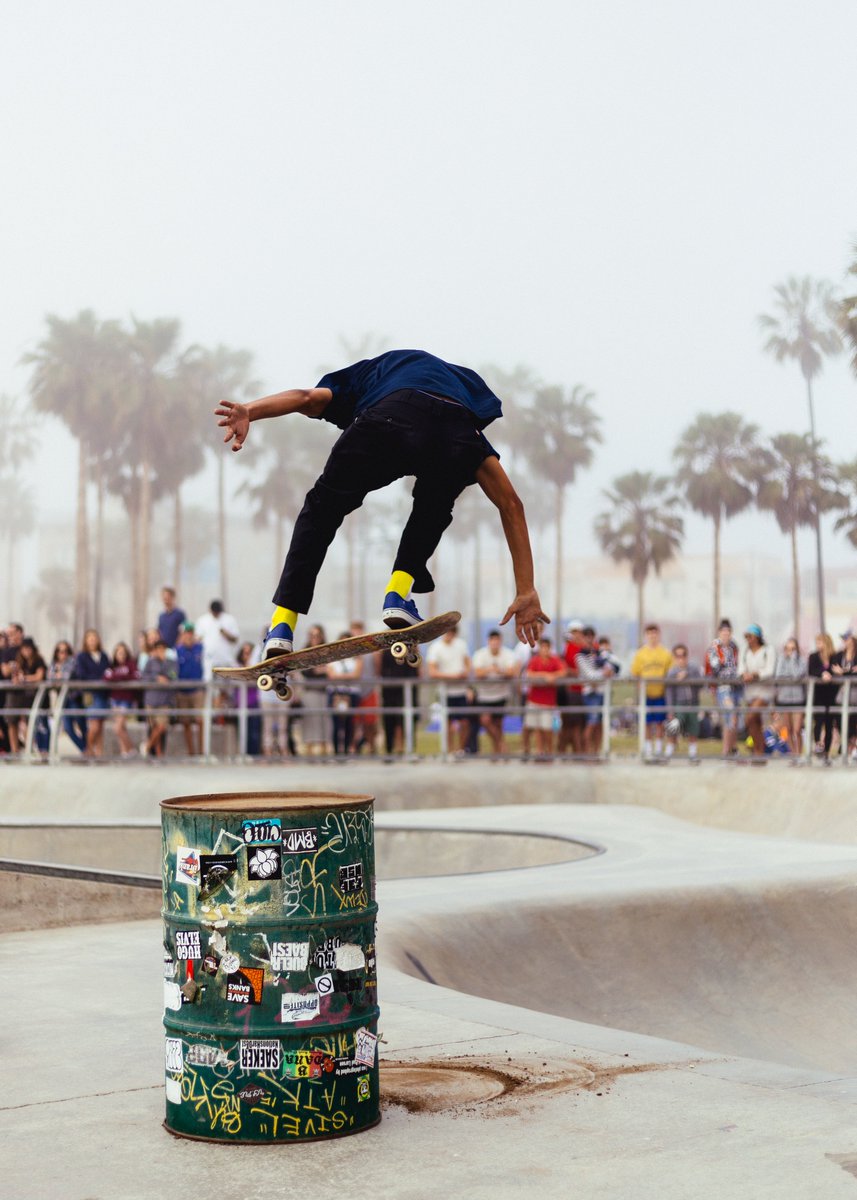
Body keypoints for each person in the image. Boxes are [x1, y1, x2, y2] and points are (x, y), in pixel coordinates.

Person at [214, 349, 547, 658]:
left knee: (322, 509)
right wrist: (526, 589)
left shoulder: (368, 375)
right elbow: (511, 505)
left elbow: (305, 398)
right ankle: (397, 594)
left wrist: (250, 410)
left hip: (386, 418)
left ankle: (282, 626)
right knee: (436, 501)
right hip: (452, 434)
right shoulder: (461, 414)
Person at [427, 624, 474, 755]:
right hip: (444, 692)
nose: (449, 635)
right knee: (447, 724)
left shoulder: (461, 645)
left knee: (464, 723)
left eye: (451, 633)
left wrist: (465, 673)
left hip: (460, 691)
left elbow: (468, 663)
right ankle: (449, 750)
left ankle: (461, 750)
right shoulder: (435, 648)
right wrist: (452, 676)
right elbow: (432, 672)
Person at [630, 624, 673, 759]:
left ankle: (658, 748)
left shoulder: (665, 653)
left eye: (655, 633)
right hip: (645, 694)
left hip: (660, 693)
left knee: (660, 722)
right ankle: (648, 749)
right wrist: (638, 687)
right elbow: (635, 673)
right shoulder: (640, 653)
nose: (652, 636)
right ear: (646, 635)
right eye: (649, 633)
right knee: (647, 723)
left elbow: (670, 673)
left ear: (658, 635)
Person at [472, 629, 518, 755]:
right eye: (493, 641)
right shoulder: (480, 654)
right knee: (485, 721)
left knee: (498, 724)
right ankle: (502, 744)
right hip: (484, 695)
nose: (495, 643)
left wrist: (498, 671)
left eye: (497, 641)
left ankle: (497, 752)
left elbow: (511, 672)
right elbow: (478, 673)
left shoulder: (508, 653)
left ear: (500, 641)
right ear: (489, 641)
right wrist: (491, 670)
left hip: (501, 694)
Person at [738, 624, 777, 760]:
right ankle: (758, 752)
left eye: (750, 636)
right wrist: (744, 675)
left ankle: (760, 750)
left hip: (764, 691)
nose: (748, 639)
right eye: (746, 636)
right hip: (750, 692)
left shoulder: (768, 650)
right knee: (755, 722)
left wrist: (755, 675)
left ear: (757, 636)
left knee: (749, 717)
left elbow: (769, 671)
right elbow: (740, 669)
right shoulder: (745, 651)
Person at [705, 618, 742, 759]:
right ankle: (726, 751)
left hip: (736, 687)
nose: (726, 634)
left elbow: (738, 665)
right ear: (719, 632)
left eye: (728, 631)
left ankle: (733, 748)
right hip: (723, 687)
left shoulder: (734, 646)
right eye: (723, 631)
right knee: (730, 716)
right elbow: (715, 668)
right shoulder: (715, 647)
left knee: (735, 719)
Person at [575, 626, 614, 756]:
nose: (589, 639)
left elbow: (611, 668)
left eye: (591, 636)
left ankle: (596, 752)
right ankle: (587, 753)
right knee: (591, 724)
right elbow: (589, 675)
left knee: (599, 725)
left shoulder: (599, 653)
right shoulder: (580, 656)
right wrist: (604, 674)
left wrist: (603, 674)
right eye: (586, 636)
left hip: (601, 693)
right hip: (590, 694)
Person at [524, 636, 565, 758]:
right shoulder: (534, 660)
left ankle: (550, 751)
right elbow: (529, 674)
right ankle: (539, 751)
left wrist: (553, 677)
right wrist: (545, 676)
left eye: (547, 647)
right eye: (543, 647)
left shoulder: (554, 660)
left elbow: (563, 672)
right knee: (536, 728)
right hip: (534, 700)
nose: (545, 650)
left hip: (549, 701)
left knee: (547, 729)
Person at [72, 629, 110, 758]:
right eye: (90, 638)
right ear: (86, 641)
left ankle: (99, 753)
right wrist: (100, 678)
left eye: (95, 638)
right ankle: (88, 750)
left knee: (100, 725)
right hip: (91, 694)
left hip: (103, 694)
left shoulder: (103, 655)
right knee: (93, 725)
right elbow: (82, 675)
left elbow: (108, 672)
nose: (93, 640)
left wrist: (102, 678)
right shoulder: (82, 656)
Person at [377, 646, 420, 757]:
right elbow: (379, 667)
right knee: (389, 719)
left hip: (408, 685)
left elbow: (417, 665)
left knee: (408, 719)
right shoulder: (386, 646)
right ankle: (390, 749)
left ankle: (410, 749)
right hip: (390, 687)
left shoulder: (412, 644)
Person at [295, 624, 331, 756]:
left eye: (317, 635)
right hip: (309, 691)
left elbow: (329, 670)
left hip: (324, 691)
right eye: (312, 635)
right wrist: (318, 669)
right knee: (310, 722)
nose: (314, 638)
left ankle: (324, 750)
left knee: (323, 722)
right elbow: (305, 671)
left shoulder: (327, 650)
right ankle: (309, 750)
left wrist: (321, 670)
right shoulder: (304, 651)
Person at [47, 640, 87, 754]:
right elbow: (50, 679)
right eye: (59, 651)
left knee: (81, 724)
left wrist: (58, 676)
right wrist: (58, 676)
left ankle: (89, 750)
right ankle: (85, 750)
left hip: (73, 698)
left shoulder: (73, 661)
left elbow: (67, 677)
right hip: (62, 700)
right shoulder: (53, 664)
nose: (62, 654)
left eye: (65, 651)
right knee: (68, 728)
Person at [327, 635, 363, 757]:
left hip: (351, 693)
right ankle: (337, 752)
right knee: (336, 725)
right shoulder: (333, 658)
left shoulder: (356, 658)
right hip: (336, 693)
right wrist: (348, 676)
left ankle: (347, 751)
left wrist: (340, 676)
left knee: (349, 724)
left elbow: (356, 674)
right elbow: (331, 675)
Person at [665, 644, 702, 762]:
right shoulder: (672, 672)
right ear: (674, 657)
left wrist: (688, 677)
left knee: (693, 729)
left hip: (692, 703)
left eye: (683, 655)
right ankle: (669, 752)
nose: (681, 659)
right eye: (678, 656)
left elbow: (701, 684)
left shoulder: (693, 669)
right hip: (679, 704)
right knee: (673, 727)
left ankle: (692, 754)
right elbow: (669, 692)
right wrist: (670, 710)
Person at [140, 639, 176, 758]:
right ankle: (158, 754)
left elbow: (174, 675)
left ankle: (147, 746)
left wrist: (166, 677)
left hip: (164, 699)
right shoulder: (150, 662)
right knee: (154, 727)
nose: (161, 651)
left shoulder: (171, 662)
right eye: (158, 649)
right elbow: (143, 676)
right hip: (151, 699)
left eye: (163, 649)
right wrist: (156, 678)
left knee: (162, 726)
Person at [13, 637, 49, 755]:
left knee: (42, 725)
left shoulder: (39, 660)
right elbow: (16, 677)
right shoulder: (20, 662)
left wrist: (25, 678)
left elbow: (39, 676)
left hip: (40, 698)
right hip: (27, 699)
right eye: (24, 649)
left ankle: (45, 751)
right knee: (28, 725)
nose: (26, 651)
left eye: (28, 648)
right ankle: (33, 750)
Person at [104, 642, 139, 758]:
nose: (121, 655)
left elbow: (135, 677)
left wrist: (118, 677)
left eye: (123, 653)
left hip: (126, 699)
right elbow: (106, 678)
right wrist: (120, 677)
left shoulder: (131, 664)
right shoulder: (112, 666)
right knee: (122, 727)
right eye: (119, 653)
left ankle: (132, 749)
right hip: (115, 699)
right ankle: (124, 752)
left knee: (117, 728)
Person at [808, 633, 839, 762]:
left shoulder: (834, 656)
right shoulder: (813, 656)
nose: (818, 644)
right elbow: (811, 671)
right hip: (818, 694)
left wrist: (831, 673)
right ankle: (818, 744)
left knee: (829, 723)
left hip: (832, 695)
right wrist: (823, 673)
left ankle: (826, 750)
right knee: (818, 721)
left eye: (820, 642)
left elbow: (837, 670)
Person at [175, 623, 205, 756]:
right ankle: (191, 752)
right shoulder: (177, 650)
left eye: (190, 633)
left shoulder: (200, 648)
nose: (188, 635)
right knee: (186, 722)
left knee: (200, 720)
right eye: (186, 633)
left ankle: (201, 751)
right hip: (182, 690)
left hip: (197, 689)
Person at [774, 638, 806, 759]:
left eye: (793, 649)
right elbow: (778, 675)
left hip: (798, 699)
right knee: (788, 729)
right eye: (787, 649)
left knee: (797, 730)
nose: (790, 651)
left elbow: (797, 675)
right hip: (784, 698)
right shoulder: (781, 660)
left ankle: (800, 754)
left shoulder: (801, 661)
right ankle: (794, 755)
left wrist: (793, 659)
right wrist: (784, 660)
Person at [557, 620, 586, 755]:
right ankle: (572, 751)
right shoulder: (569, 648)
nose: (577, 635)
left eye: (579, 632)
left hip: (581, 690)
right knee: (570, 724)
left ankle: (576, 751)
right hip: (571, 691)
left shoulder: (582, 648)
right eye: (574, 632)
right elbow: (566, 669)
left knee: (578, 724)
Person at [195, 599, 240, 680]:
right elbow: (197, 638)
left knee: (226, 687)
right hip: (209, 660)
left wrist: (226, 633)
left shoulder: (229, 619)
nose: (215, 614)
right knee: (209, 684)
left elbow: (235, 639)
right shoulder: (203, 620)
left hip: (225, 660)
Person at [835, 632, 857, 761]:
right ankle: (848, 747)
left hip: (855, 695)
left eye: (847, 638)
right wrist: (847, 672)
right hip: (843, 695)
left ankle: (852, 748)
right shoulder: (839, 655)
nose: (845, 641)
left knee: (854, 721)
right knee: (841, 721)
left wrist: (843, 672)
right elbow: (834, 668)